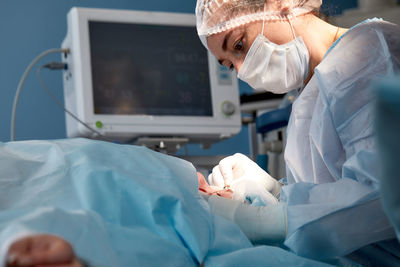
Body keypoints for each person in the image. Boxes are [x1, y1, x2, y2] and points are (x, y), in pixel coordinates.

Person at [196, 0, 400, 262]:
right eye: (229, 65)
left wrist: (264, 219)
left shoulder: (369, 53)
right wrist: (276, 193)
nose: (241, 69)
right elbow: (335, 191)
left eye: (239, 45)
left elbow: (386, 197)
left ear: (280, 3)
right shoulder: (312, 92)